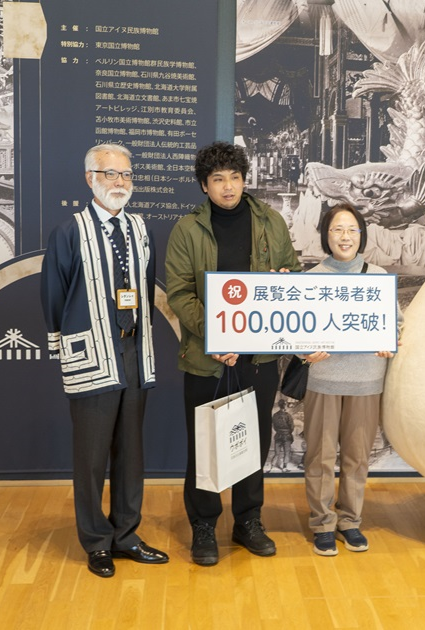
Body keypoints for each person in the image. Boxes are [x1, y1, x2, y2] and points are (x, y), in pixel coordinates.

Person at [165, 141, 301, 566]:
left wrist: (285, 280)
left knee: (253, 441)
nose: (228, 187)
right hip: (206, 359)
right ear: (204, 186)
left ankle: (248, 521)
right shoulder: (188, 230)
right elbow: (180, 293)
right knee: (206, 443)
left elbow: (293, 276)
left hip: (259, 359)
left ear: (245, 179)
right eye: (218, 179)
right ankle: (204, 524)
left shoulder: (271, 222)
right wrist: (217, 337)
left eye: (235, 177)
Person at [41, 143, 169, 578]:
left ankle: (126, 534)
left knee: (131, 453)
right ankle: (96, 541)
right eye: (110, 173)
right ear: (89, 178)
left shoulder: (140, 228)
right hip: (92, 352)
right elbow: (54, 294)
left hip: (133, 350)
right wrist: (61, 343)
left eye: (126, 174)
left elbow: (146, 286)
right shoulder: (69, 232)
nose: (120, 182)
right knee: (92, 456)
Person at [297, 203, 396, 556]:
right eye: (337, 229)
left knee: (357, 457)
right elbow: (294, 331)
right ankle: (323, 523)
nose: (345, 236)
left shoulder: (378, 277)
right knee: (320, 457)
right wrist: (304, 353)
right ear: (326, 235)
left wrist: (389, 342)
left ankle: (350, 521)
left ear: (361, 236)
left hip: (367, 380)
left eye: (352, 229)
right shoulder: (310, 279)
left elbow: (395, 324)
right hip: (323, 379)